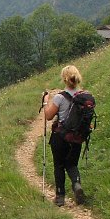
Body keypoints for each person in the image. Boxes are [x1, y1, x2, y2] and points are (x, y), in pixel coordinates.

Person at [43, 65, 85, 206]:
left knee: (59, 165)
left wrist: (46, 101)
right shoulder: (84, 97)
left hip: (60, 137)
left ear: (64, 79)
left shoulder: (60, 97)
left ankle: (60, 197)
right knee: (72, 164)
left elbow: (49, 116)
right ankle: (77, 184)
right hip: (77, 137)